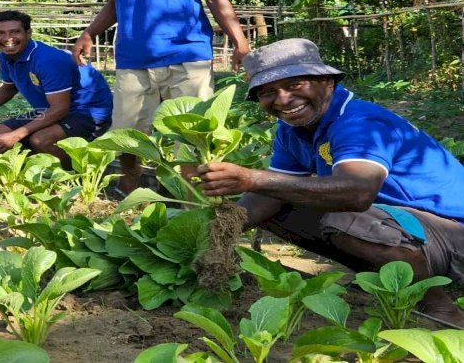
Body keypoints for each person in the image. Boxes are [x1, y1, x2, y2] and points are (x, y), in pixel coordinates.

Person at [190, 38, 464, 327]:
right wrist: (213, 238)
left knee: (343, 216)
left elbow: (357, 193)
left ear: (328, 82)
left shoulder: (359, 122)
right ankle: (384, 279)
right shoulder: (292, 130)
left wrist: (250, 178)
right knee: (274, 202)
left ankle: (439, 309)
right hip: (413, 233)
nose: (282, 100)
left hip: (453, 234)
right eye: (268, 92)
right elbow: (269, 195)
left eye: (295, 85)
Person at [71, 0, 251, 194]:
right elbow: (117, 1)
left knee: (193, 133)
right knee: (126, 133)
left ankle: (188, 196)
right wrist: (90, 32)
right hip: (133, 58)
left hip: (187, 56)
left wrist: (240, 42)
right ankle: (129, 190)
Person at [0, 10, 113, 169]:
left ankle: (79, 172)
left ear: (29, 33)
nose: (7, 38)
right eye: (0, 33)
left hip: (87, 112)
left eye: (15, 31)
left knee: (40, 140)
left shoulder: (48, 60)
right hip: (50, 109)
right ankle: (41, 166)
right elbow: (8, 89)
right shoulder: (5, 57)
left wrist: (15, 135)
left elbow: (60, 110)